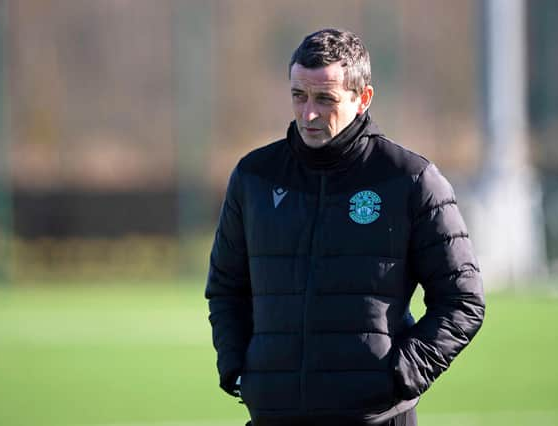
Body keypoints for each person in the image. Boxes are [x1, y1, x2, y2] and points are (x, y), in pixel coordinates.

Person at [205, 28, 485, 426]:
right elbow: (226, 287)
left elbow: (463, 300)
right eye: (298, 96)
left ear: (362, 98)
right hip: (273, 414)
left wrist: (402, 374)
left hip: (374, 417)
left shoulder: (409, 179)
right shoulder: (254, 176)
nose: (309, 113)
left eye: (325, 99)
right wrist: (238, 364)